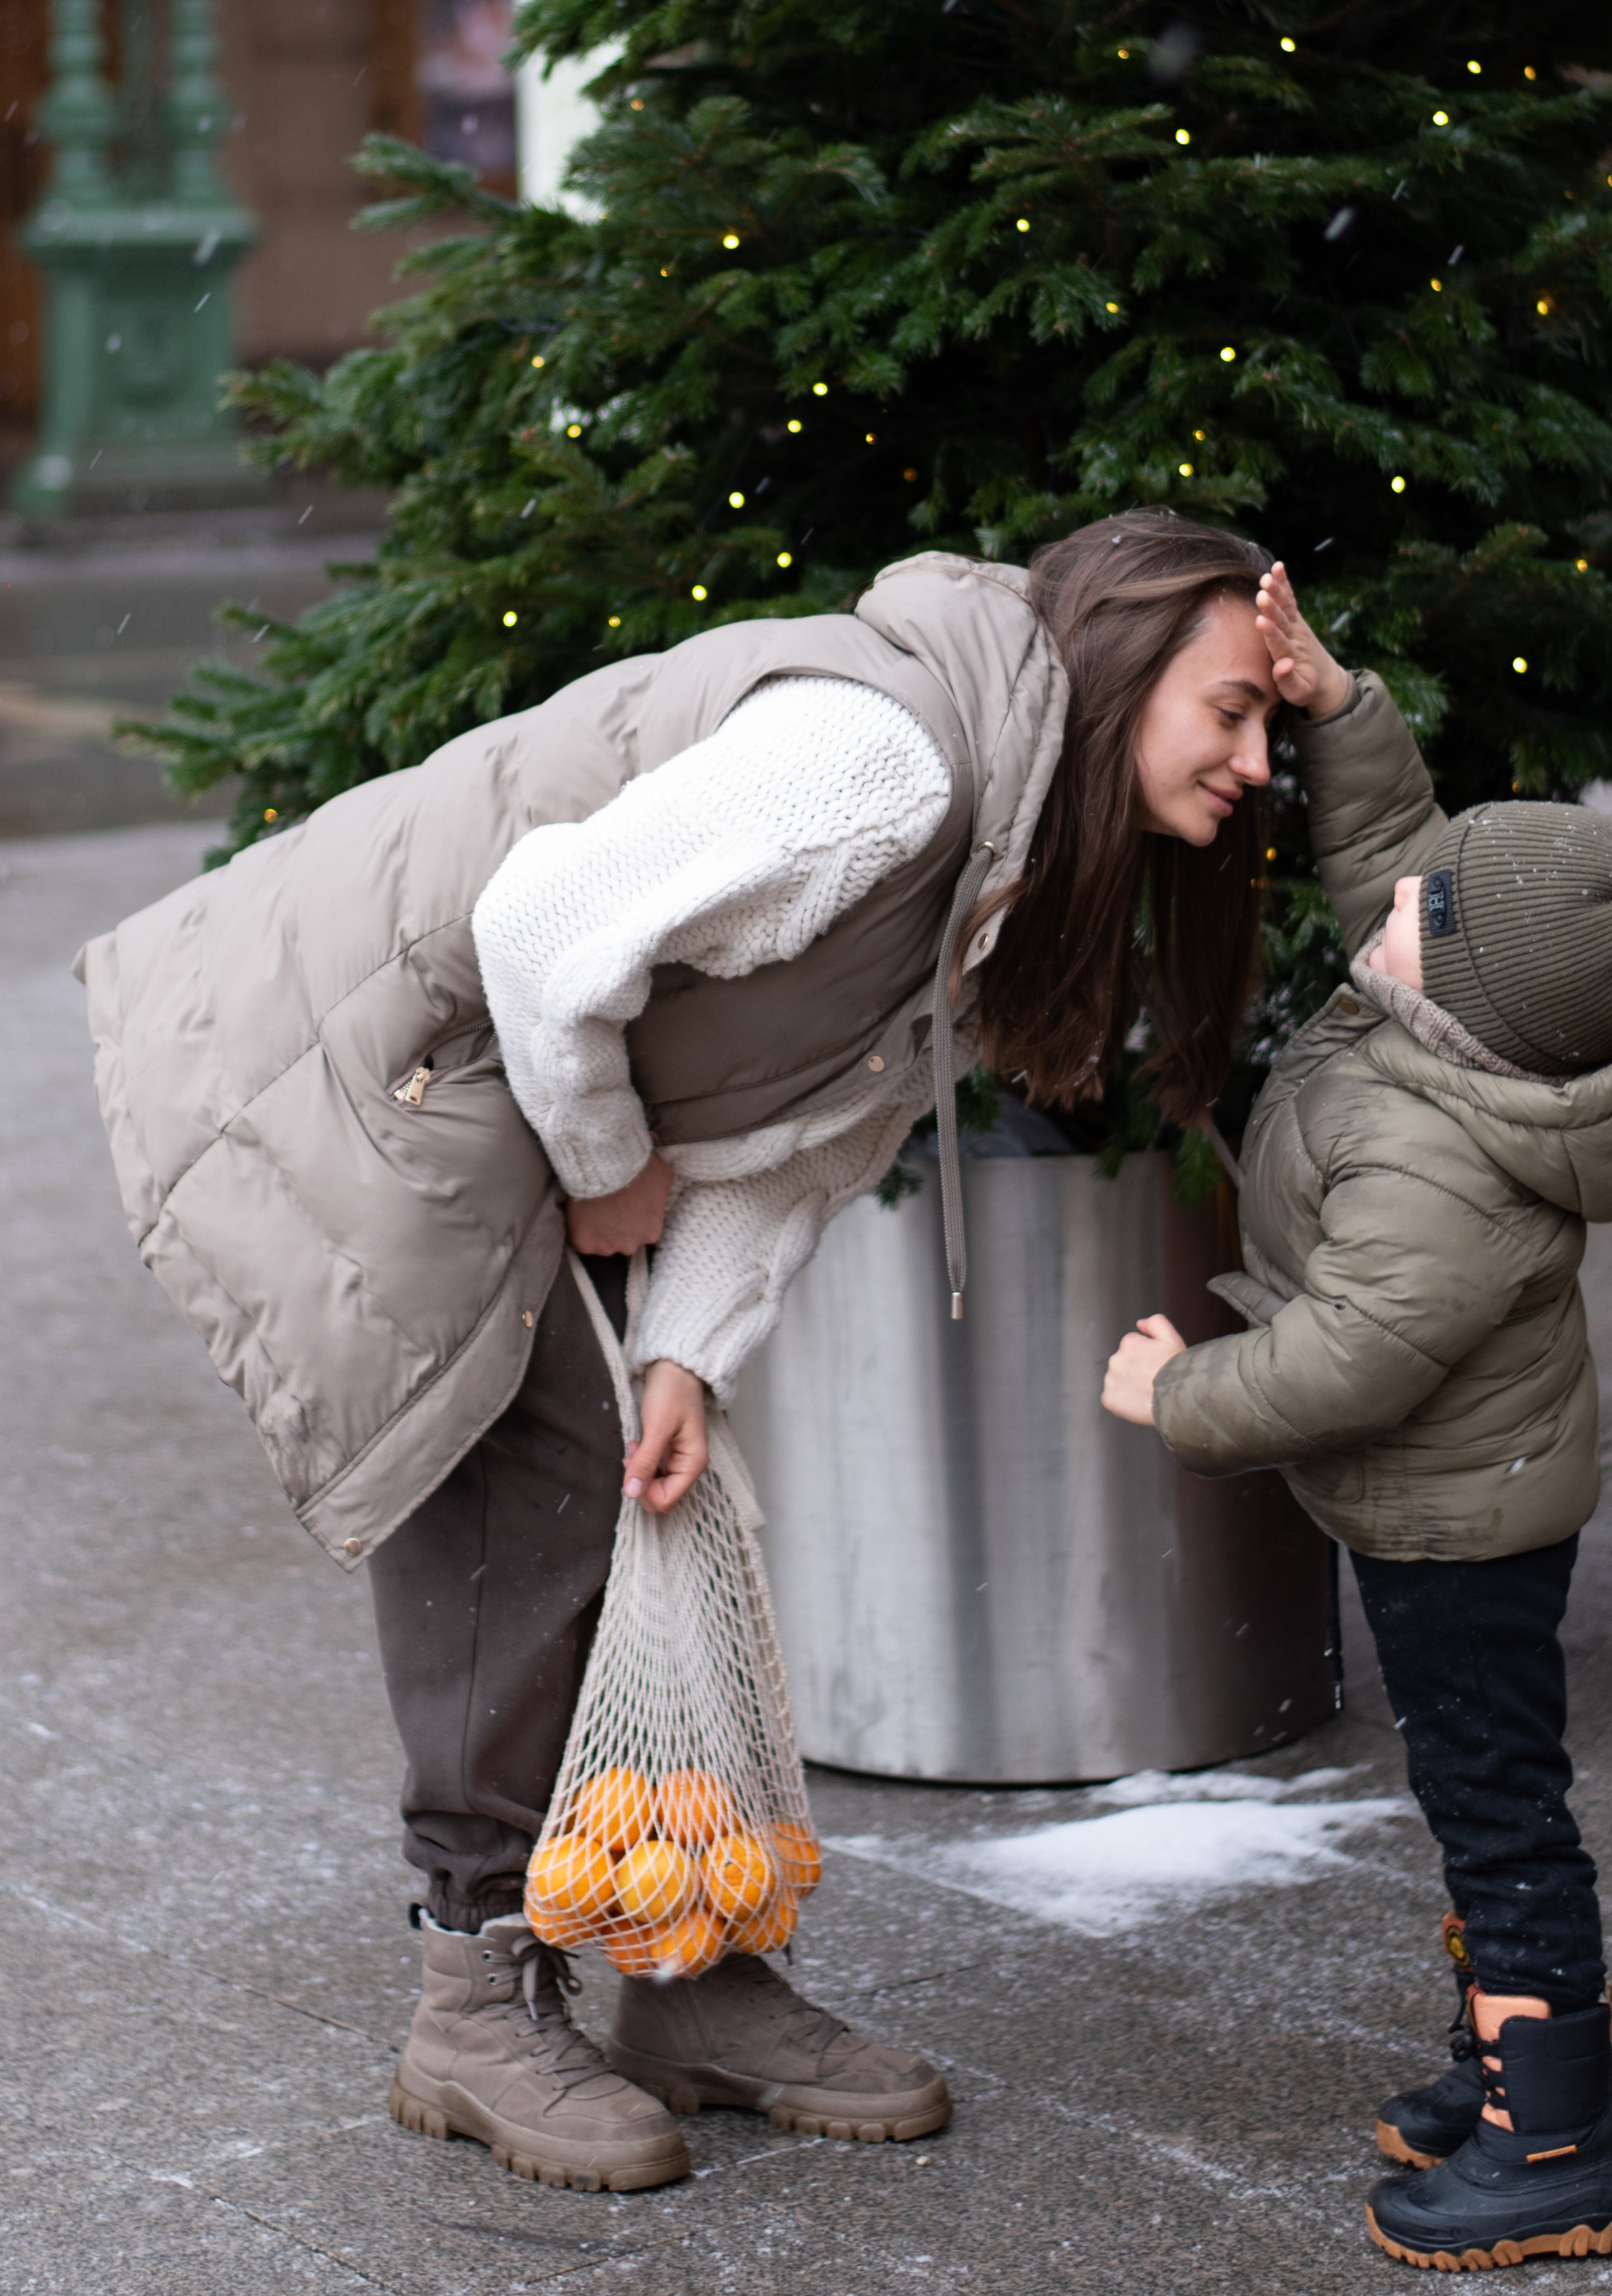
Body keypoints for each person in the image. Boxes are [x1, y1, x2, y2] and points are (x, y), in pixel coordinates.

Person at [78, 510, 1278, 2196]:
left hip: (489, 1072)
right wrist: (605, 1169)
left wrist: (687, 1355)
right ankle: (472, 1992)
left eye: (1269, 727)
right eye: (1229, 706)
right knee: (522, 1494)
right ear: (1123, 659)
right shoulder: (890, 758)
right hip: (364, 1053)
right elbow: (543, 925)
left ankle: (675, 1963)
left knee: (647, 1489)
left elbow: (804, 1139)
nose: (1253, 757)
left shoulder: (996, 832)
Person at [1102, 564, 1612, 2272]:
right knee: (1475, 1789)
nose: (1383, 901)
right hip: (1452, 1503)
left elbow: (1348, 1356)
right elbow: (1397, 851)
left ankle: (1559, 2141)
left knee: (1495, 1803)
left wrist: (1176, 1390)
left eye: (1419, 911)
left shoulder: (1434, 1155)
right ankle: (1504, 2058)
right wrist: (1335, 708)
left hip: (1454, 1525)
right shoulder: (1465, 1015)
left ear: (1465, 997)